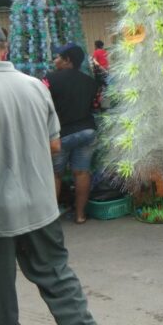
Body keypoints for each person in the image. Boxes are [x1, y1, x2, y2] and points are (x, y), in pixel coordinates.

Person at [0, 18, 95, 324]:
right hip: (41, 208)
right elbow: (54, 146)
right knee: (60, 282)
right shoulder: (35, 86)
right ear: (3, 48)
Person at [45, 43, 99, 224]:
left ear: (68, 60)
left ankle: (52, 220)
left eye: (58, 57)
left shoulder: (49, 80)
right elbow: (95, 106)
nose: (55, 60)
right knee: (82, 172)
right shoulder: (90, 81)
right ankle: (80, 215)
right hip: (87, 131)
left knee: (55, 174)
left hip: (62, 135)